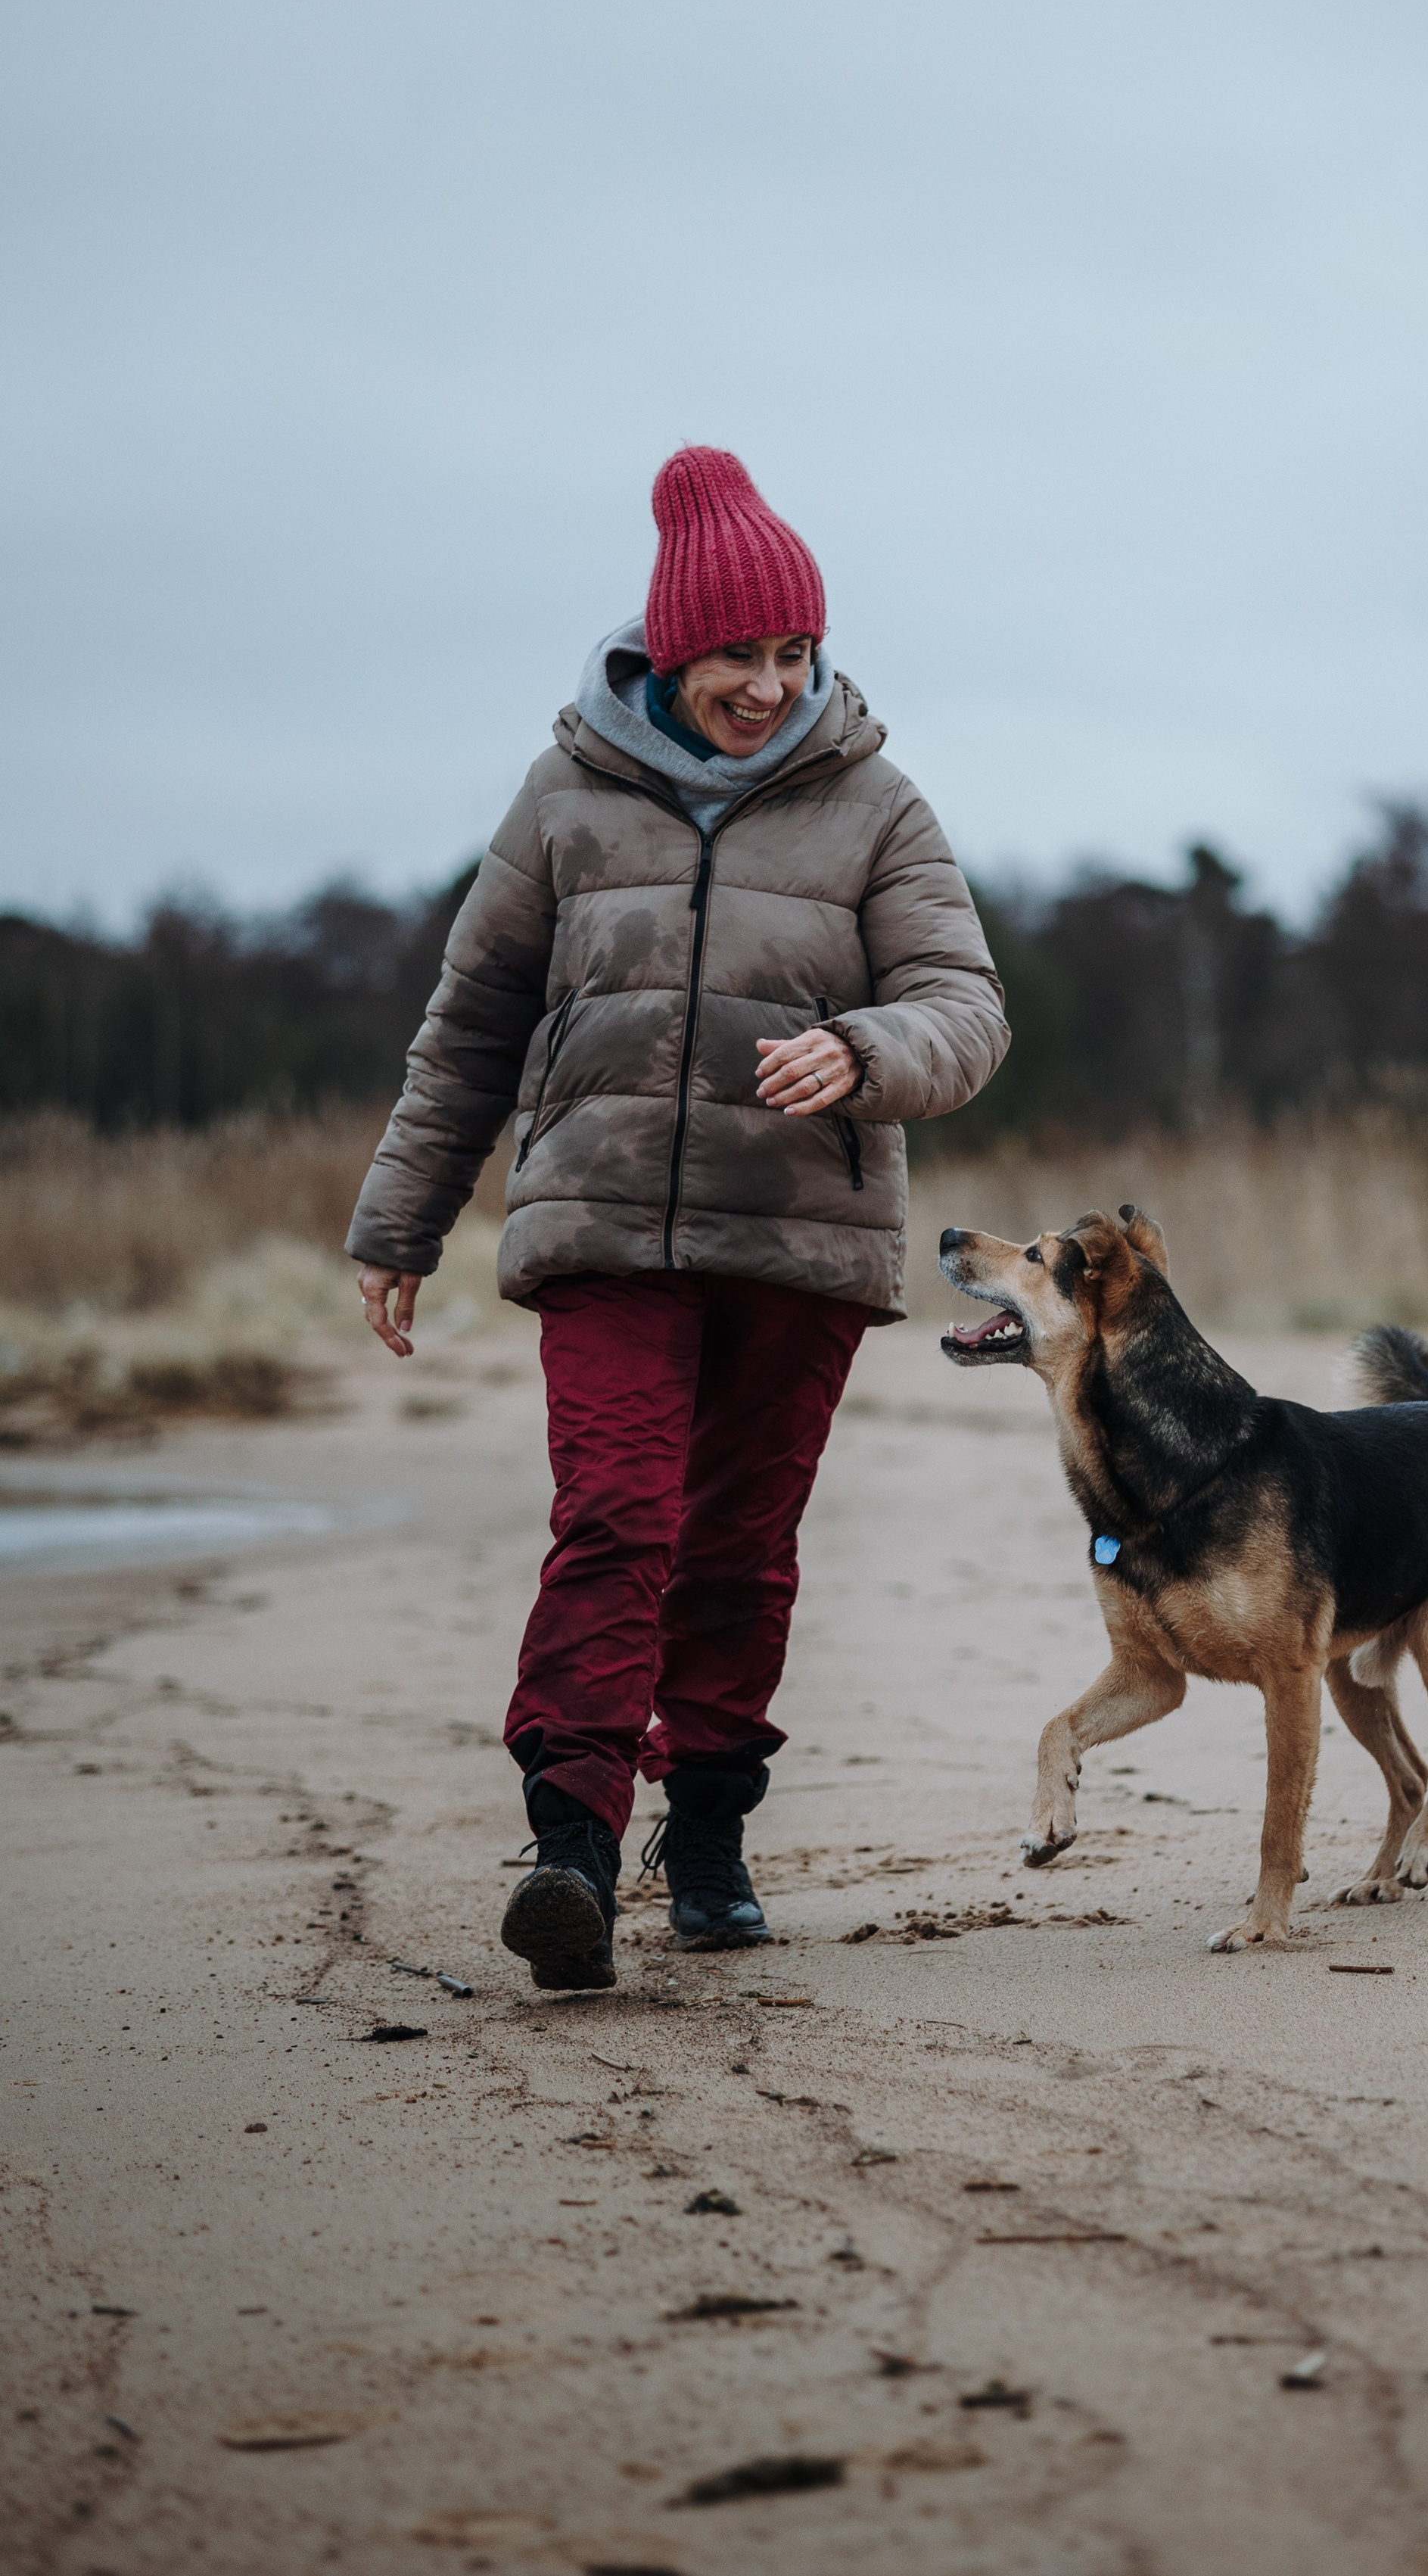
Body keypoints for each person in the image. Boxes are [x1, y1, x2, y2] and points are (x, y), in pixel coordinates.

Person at [347, 446, 1007, 1987]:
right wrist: (400, 1219)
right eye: (737, 656)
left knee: (738, 1547)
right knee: (615, 1518)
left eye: (794, 651)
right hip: (603, 1229)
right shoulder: (565, 796)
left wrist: (865, 1050)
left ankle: (706, 1836)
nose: (770, 686)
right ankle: (571, 1846)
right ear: (669, 650)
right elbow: (471, 1024)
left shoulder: (876, 803)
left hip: (798, 1237)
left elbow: (964, 1007)